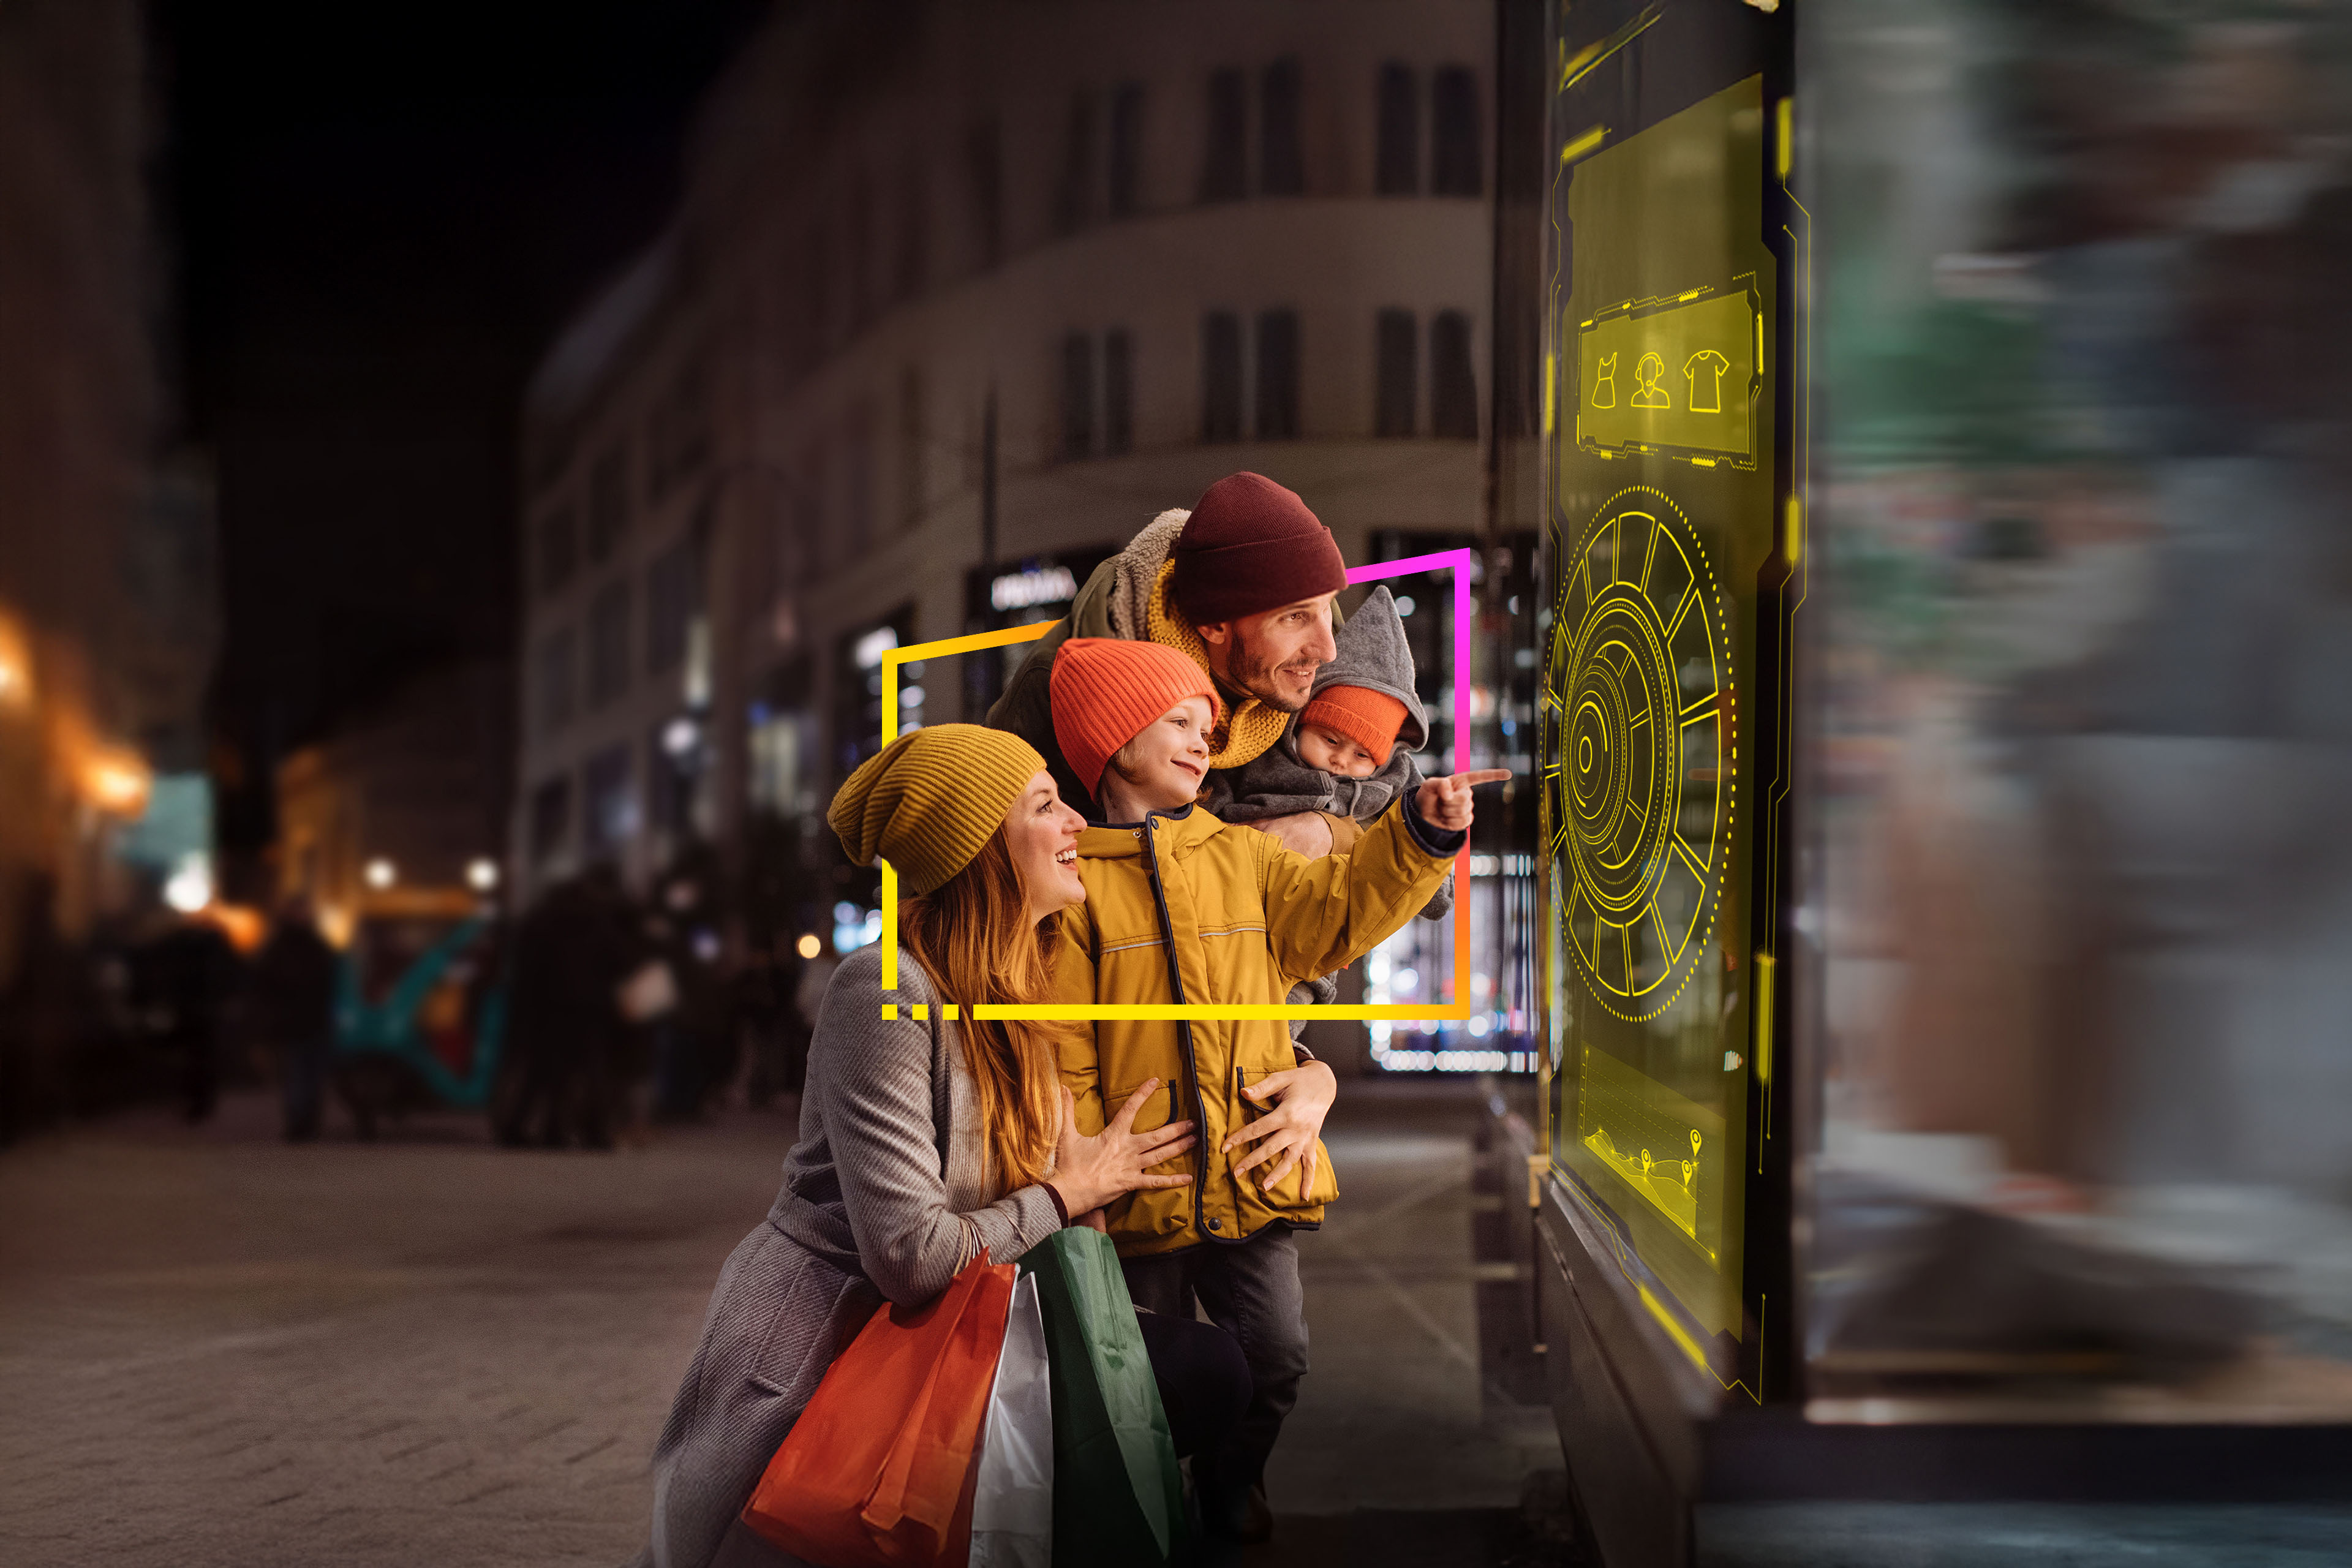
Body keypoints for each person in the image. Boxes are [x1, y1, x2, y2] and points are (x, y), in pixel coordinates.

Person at [631, 725, 1251, 1568]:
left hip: (962, 1319)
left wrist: (1087, 1192)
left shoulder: (1018, 989)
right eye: (1044, 806)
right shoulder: (883, 989)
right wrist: (1068, 1192)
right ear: (980, 852)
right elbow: (912, 1256)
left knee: (1207, 1371)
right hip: (844, 1339)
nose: (1075, 822)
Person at [1042, 636, 1506, 1544]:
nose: (1201, 740)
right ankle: (1165, 1510)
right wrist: (1085, 1177)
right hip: (1144, 1183)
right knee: (1150, 1374)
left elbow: (1338, 912)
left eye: (1206, 726)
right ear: (1113, 738)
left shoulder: (1241, 857)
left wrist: (1418, 835)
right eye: (1177, 722)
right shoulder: (1075, 884)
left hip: (1254, 1166)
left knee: (1279, 1357)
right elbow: (1063, 1048)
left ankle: (1229, 1487)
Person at [987, 470, 1357, 858]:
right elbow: (997, 866)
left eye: (1324, 609)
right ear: (1215, 624)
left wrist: (1328, 831)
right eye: (1293, 618)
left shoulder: (1307, 662)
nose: (1327, 650)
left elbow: (1390, 801)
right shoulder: (1062, 690)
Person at [1203, 584, 1454, 1025]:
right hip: (1228, 914)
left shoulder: (1391, 789)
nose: (1341, 760)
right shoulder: (1260, 755)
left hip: (1312, 946)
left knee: (1274, 1032)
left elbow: (1433, 893)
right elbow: (1204, 812)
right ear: (1300, 723)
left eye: (1363, 756)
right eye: (1330, 740)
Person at [251, 897, 340, 1141]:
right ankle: (299, 1125)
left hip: (314, 1019)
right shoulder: (282, 946)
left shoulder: (312, 944)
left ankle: (308, 1123)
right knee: (298, 1073)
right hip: (294, 1020)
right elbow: (266, 982)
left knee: (312, 1075)